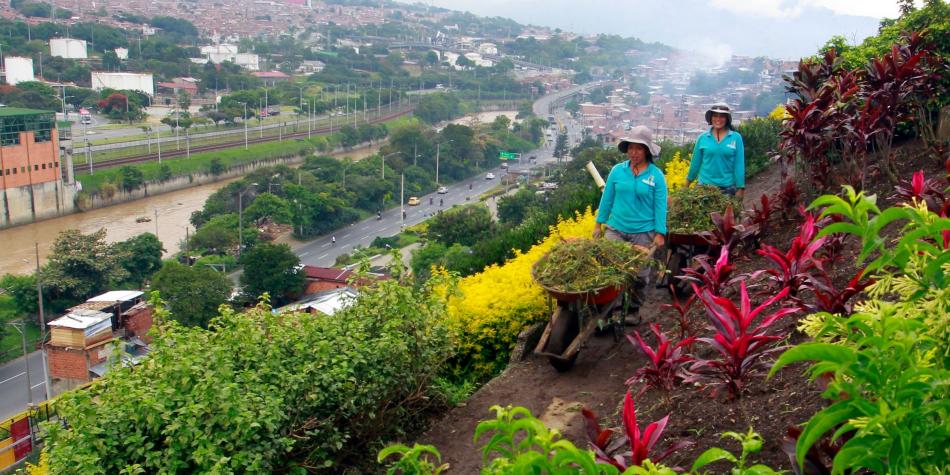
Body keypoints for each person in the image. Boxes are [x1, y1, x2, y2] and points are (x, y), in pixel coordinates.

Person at [593, 125, 667, 322]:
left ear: (647, 151)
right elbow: (607, 199)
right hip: (616, 229)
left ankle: (633, 310)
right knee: (610, 270)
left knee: (640, 276)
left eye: (639, 148)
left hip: (643, 232)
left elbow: (660, 206)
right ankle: (609, 310)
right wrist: (598, 224)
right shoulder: (618, 171)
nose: (634, 153)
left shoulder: (656, 176)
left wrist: (660, 233)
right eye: (631, 148)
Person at [686, 103, 745, 198]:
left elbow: (739, 164)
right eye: (715, 116)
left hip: (727, 188)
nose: (718, 119)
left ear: (727, 119)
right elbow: (695, 164)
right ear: (710, 118)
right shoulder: (702, 138)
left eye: (722, 116)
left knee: (724, 213)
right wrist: (686, 185)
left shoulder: (736, 138)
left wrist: (740, 187)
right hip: (704, 188)